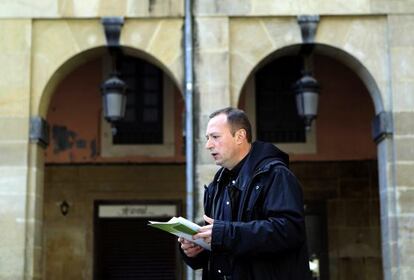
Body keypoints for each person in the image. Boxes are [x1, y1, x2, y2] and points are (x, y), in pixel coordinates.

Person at [178, 107, 311, 280]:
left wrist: (224, 234)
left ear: (240, 136)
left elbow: (289, 231)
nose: (208, 145)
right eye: (207, 138)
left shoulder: (276, 175)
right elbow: (222, 249)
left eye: (215, 137)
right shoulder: (216, 186)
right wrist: (196, 250)